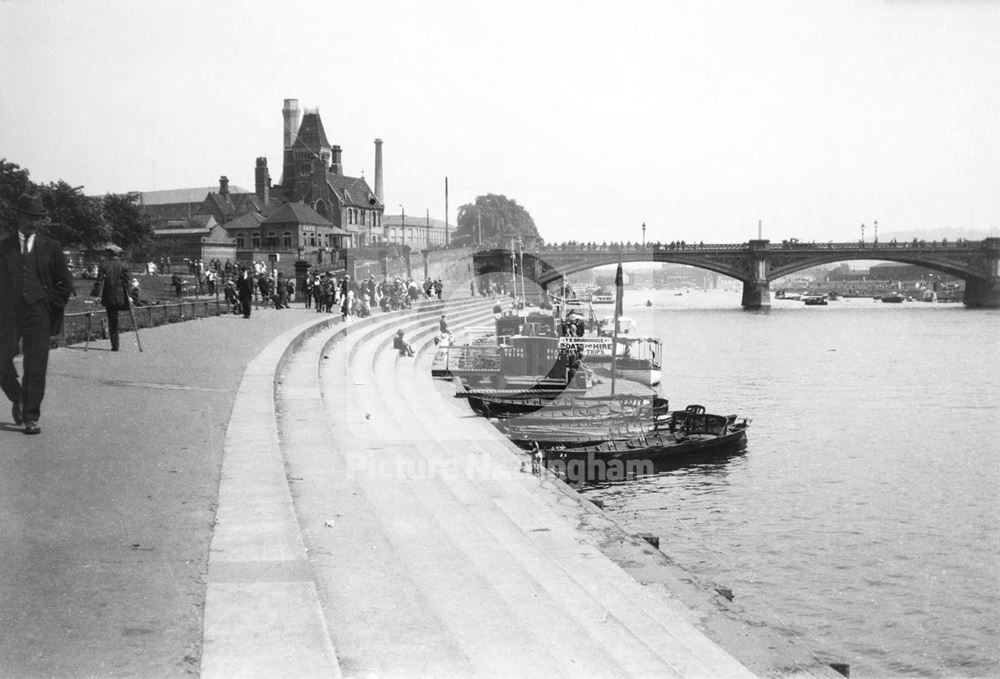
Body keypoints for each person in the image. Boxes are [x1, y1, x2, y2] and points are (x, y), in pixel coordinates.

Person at [0, 193, 74, 434]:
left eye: (37, 218)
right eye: (29, 217)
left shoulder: (50, 247)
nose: (33, 222)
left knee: (36, 365)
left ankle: (31, 417)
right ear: (19, 217)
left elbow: (65, 281)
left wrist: (50, 305)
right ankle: (16, 396)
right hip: (9, 313)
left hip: (39, 312)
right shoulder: (4, 246)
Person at [93, 244, 131, 351]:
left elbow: (99, 282)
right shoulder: (124, 265)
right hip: (121, 297)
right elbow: (128, 283)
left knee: (112, 319)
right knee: (117, 318)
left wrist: (96, 295)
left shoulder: (104, 265)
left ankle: (115, 344)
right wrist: (130, 296)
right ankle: (116, 342)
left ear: (110, 254)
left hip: (108, 297)